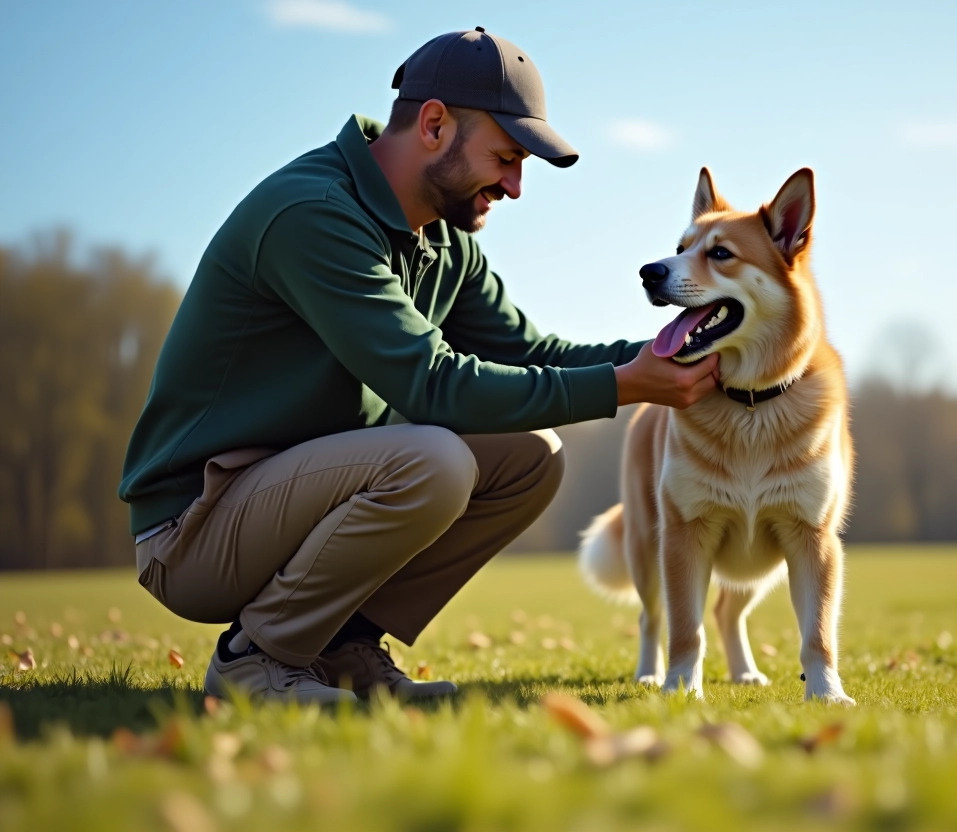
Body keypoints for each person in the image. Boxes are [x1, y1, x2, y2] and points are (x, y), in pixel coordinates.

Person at [118, 27, 720, 705]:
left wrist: (671, 355)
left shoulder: (442, 239)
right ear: (434, 124)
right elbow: (429, 384)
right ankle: (254, 659)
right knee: (434, 459)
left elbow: (533, 356)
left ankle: (342, 648)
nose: (517, 187)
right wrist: (623, 386)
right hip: (196, 526)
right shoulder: (313, 215)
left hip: (297, 497)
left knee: (531, 457)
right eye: (506, 157)